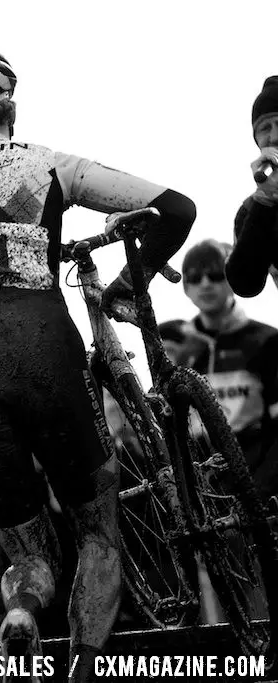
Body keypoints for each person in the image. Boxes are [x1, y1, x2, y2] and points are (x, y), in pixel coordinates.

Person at [0, 43, 195, 682]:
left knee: (26, 548)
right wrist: (131, 290)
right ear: (10, 108)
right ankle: (81, 666)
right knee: (97, 525)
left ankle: (21, 610)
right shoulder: (46, 163)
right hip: (44, 344)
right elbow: (177, 208)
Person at [161, 240, 278, 497]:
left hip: (262, 490)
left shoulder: (267, 341)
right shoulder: (180, 353)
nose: (205, 283)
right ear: (186, 288)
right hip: (206, 494)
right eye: (194, 277)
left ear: (233, 281)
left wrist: (260, 492)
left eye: (215, 274)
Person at [227, 75, 278, 297]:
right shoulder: (252, 208)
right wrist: (265, 200)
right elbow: (245, 284)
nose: (274, 137)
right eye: (265, 128)